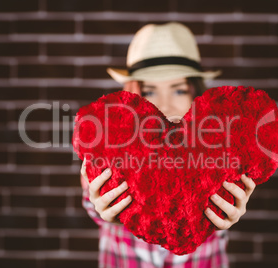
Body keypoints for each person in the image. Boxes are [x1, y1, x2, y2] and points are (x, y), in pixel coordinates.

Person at [79, 22, 256, 268]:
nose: (164, 106)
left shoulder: (220, 151)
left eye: (178, 90)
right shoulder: (110, 151)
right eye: (150, 92)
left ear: (196, 94)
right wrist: (103, 209)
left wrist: (225, 211)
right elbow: (92, 198)